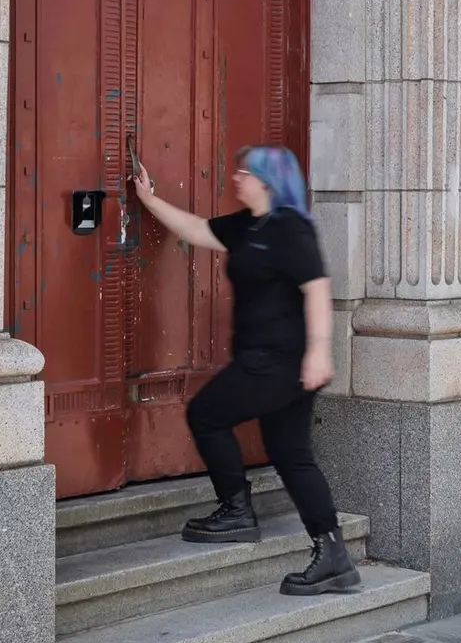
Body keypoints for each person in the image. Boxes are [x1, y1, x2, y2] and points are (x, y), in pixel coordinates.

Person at [131, 145, 360, 596]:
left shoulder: (290, 227)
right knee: (291, 455)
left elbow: (317, 290)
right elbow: (197, 229)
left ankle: (236, 511)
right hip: (271, 360)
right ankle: (334, 556)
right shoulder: (249, 224)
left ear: (268, 182)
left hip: (278, 361)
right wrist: (148, 199)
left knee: (206, 414)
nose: (237, 177)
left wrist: (319, 353)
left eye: (246, 173)